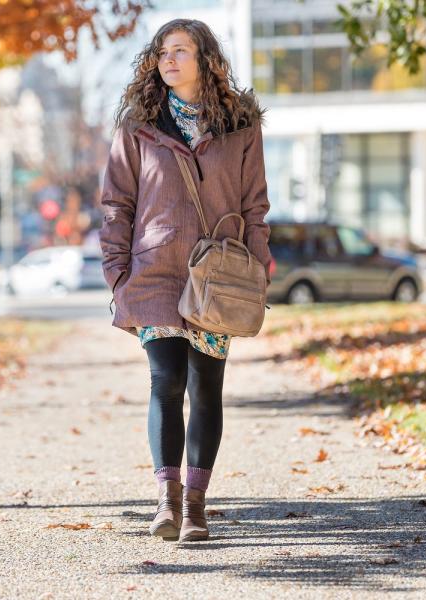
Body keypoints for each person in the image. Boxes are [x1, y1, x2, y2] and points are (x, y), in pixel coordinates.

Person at [98, 18, 273, 543]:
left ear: (206, 59)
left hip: (218, 275)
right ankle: (166, 504)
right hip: (154, 273)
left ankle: (196, 507)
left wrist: (256, 266)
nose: (167, 60)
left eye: (179, 50)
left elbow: (254, 204)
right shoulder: (137, 125)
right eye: (161, 52)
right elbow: (116, 204)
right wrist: (117, 272)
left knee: (206, 385)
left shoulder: (241, 124)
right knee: (165, 380)